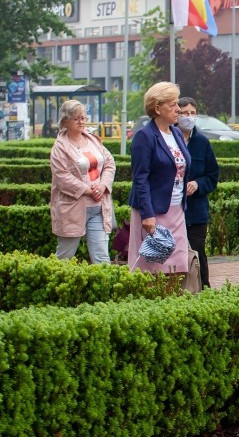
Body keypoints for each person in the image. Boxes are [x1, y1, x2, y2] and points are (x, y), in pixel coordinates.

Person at [128, 81, 191, 276]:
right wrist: (148, 214)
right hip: (153, 212)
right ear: (157, 108)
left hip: (177, 209)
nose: (178, 109)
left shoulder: (177, 134)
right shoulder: (144, 137)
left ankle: (174, 305)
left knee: (179, 266)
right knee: (152, 268)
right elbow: (141, 179)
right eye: (172, 105)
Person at [49, 100, 116, 264]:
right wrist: (89, 190)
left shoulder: (93, 140)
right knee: (65, 257)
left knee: (102, 257)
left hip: (99, 207)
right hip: (72, 208)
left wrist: (102, 186)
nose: (82, 121)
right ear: (65, 121)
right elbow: (62, 177)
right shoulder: (59, 147)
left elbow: (109, 163)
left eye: (84, 118)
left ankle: (104, 289)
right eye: (76, 118)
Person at [177, 97, 220, 288]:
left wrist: (198, 184)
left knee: (197, 252)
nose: (189, 117)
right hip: (172, 209)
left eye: (192, 113)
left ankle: (202, 288)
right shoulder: (168, 140)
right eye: (184, 112)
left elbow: (212, 176)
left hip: (196, 211)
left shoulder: (202, 142)